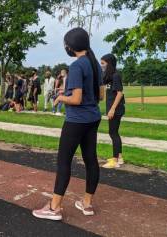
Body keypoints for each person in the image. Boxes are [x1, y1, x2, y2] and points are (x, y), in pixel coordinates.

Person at [32, 27, 104, 221]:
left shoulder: (77, 66)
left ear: (70, 47)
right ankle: (87, 203)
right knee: (91, 159)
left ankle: (54, 207)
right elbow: (102, 95)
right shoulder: (96, 64)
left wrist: (61, 97)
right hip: (93, 118)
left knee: (64, 161)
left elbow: (77, 99)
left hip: (76, 121)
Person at [101, 53, 125, 168]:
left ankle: (115, 160)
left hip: (116, 109)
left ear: (109, 63)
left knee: (113, 133)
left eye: (103, 64)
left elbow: (120, 93)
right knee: (114, 132)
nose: (102, 66)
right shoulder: (109, 77)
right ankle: (119, 157)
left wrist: (112, 109)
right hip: (112, 108)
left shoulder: (116, 76)